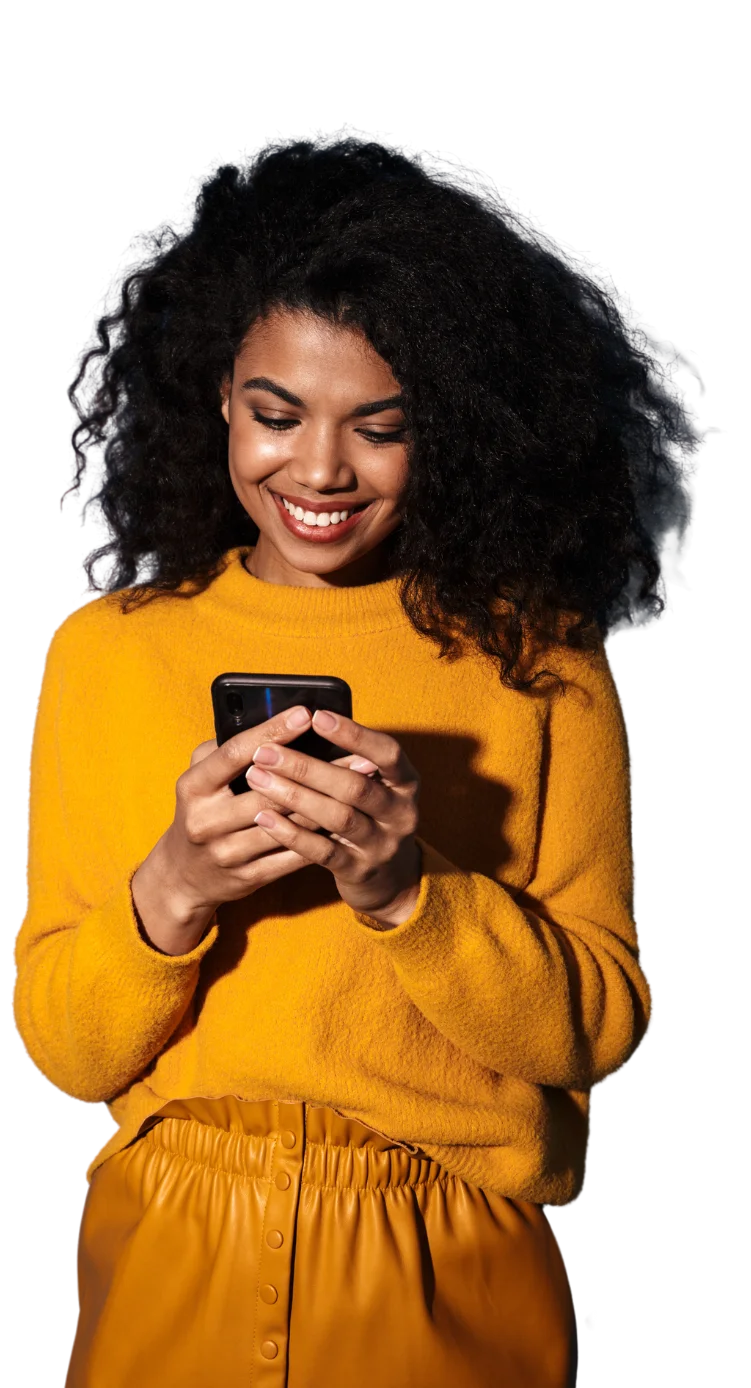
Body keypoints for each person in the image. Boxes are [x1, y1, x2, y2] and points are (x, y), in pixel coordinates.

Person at [13, 133, 699, 1387]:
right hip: (174, 1235)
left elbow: (598, 1030)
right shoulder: (109, 651)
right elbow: (68, 1050)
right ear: (219, 392)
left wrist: (408, 892)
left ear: (456, 425)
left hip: (448, 1245)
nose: (317, 470)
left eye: (379, 428)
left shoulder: (539, 663)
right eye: (275, 413)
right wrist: (172, 890)